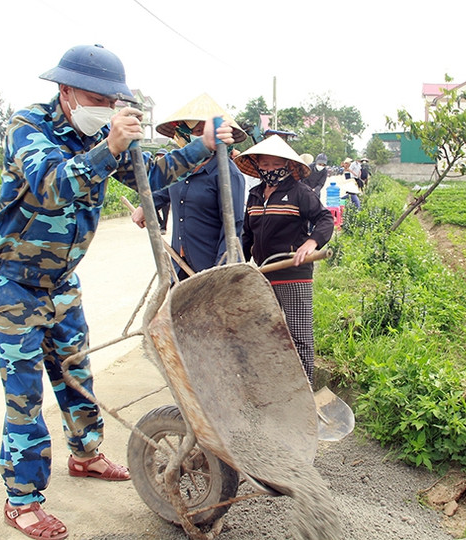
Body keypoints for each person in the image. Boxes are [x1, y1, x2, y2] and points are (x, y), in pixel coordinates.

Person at [0, 44, 234, 540]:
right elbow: (52, 184)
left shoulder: (103, 131)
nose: (103, 105)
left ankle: (86, 454)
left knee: (75, 370)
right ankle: (23, 498)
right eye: (94, 96)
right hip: (15, 282)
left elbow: (149, 176)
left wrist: (202, 146)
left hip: (61, 280)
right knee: (26, 392)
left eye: (110, 98)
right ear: (65, 91)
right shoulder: (27, 128)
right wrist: (111, 146)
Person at [236, 135, 334, 387]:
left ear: (287, 165)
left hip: (293, 273)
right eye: (264, 165)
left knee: (299, 335)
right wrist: (238, 263)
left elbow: (325, 219)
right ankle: (274, 387)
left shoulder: (300, 192)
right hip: (263, 275)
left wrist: (311, 243)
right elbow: (248, 234)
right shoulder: (255, 195)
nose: (269, 170)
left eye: (274, 164)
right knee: (265, 334)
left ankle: (305, 390)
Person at [131, 93, 248, 279]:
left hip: (209, 267)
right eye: (197, 131)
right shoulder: (179, 168)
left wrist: (221, 273)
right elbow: (164, 189)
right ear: (184, 134)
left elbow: (232, 229)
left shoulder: (228, 175)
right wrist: (145, 205)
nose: (203, 136)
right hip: (179, 265)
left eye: (206, 130)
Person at [154, 148, 170, 233]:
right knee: (153, 207)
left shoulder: (171, 167)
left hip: (166, 191)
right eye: (159, 155)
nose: (160, 157)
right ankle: (160, 223)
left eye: (162, 155)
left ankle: (163, 227)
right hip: (157, 192)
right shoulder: (154, 168)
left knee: (165, 210)